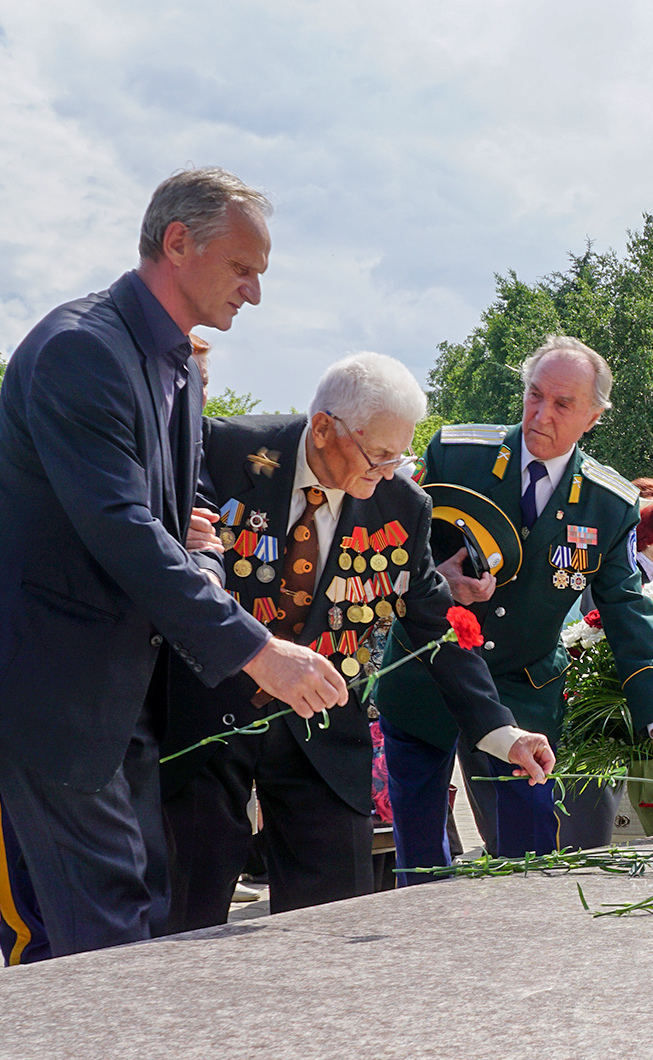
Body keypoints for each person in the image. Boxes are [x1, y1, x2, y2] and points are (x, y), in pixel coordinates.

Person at [0, 169, 354, 964]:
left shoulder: (172, 365)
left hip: (122, 697)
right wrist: (257, 648)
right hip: (52, 696)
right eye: (243, 268)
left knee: (128, 916)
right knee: (100, 932)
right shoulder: (81, 351)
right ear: (177, 242)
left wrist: (200, 554)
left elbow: (181, 509)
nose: (255, 293)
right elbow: (121, 528)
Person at [161, 355, 556, 930]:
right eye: (379, 455)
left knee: (331, 928)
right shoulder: (222, 450)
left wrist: (502, 732)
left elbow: (435, 627)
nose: (390, 470)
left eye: (401, 455)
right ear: (323, 428)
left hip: (322, 736)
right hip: (208, 723)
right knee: (184, 923)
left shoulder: (403, 505)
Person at [375, 336, 653, 875]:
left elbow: (627, 611)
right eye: (534, 395)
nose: (541, 414)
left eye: (563, 404)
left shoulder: (609, 502)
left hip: (524, 691)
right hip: (426, 673)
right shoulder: (456, 454)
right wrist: (436, 578)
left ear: (594, 416)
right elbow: (387, 544)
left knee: (527, 859)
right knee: (421, 863)